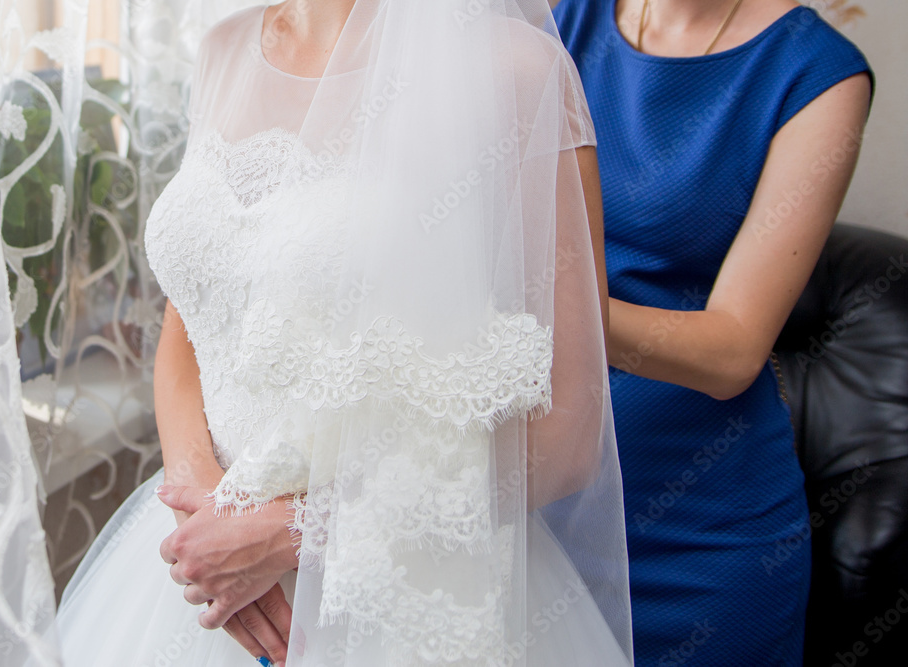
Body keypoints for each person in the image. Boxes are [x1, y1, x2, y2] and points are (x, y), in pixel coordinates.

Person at [50, 1, 634, 665]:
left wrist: (297, 529)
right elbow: (187, 336)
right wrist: (206, 519)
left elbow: (570, 431)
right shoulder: (223, 49)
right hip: (205, 575)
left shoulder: (515, 69)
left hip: (402, 594)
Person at [550, 0, 873, 664]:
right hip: (540, 507)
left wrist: (549, 306)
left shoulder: (818, 73)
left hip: (701, 539)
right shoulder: (558, 19)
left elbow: (732, 353)